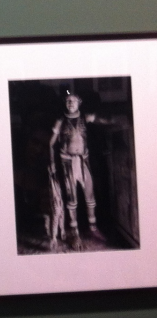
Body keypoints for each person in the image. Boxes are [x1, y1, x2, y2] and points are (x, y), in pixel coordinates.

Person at [48, 92, 110, 248]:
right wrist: (52, 163)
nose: (70, 103)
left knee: (90, 194)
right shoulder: (60, 121)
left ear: (79, 103)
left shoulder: (85, 117)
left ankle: (92, 228)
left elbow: (101, 120)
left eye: (73, 101)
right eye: (68, 100)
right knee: (71, 198)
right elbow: (51, 143)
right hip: (67, 162)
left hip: (83, 161)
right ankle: (74, 232)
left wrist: (114, 122)